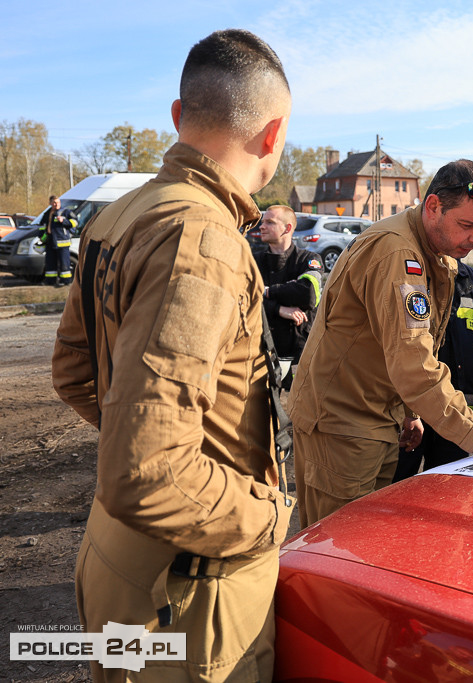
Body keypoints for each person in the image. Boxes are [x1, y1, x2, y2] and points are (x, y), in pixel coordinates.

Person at [51, 29, 293, 682]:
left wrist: (146, 434)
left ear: (179, 117)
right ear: (273, 136)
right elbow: (148, 468)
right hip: (188, 590)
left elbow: (75, 371)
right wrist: (269, 515)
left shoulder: (122, 212)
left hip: (120, 557)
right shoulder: (203, 239)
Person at [289, 160, 473, 528]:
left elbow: (409, 343)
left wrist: (410, 411)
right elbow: (413, 361)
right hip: (342, 424)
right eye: (467, 225)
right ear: (432, 208)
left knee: (366, 541)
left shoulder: (433, 250)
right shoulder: (398, 254)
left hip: (372, 417)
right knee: (337, 546)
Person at [393, 259, 473, 481]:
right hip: (414, 408)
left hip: (459, 403)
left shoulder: (470, 278)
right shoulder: (414, 275)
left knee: (448, 484)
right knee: (398, 482)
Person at [255, 204, 324, 389]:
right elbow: (245, 300)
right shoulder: (253, 261)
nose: (262, 226)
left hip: (299, 354)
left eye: (269, 222)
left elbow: (308, 295)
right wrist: (279, 309)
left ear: (287, 228)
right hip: (261, 351)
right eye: (262, 222)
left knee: (299, 413)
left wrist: (268, 291)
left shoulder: (310, 259)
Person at [40, 195, 76, 286]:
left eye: (58, 202)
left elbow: (75, 223)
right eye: (54, 202)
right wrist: (41, 237)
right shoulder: (47, 214)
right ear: (50, 203)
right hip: (50, 241)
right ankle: (50, 281)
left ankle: (66, 281)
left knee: (64, 263)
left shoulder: (66, 212)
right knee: (50, 263)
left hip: (62, 242)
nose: (56, 204)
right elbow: (42, 227)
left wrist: (63, 221)